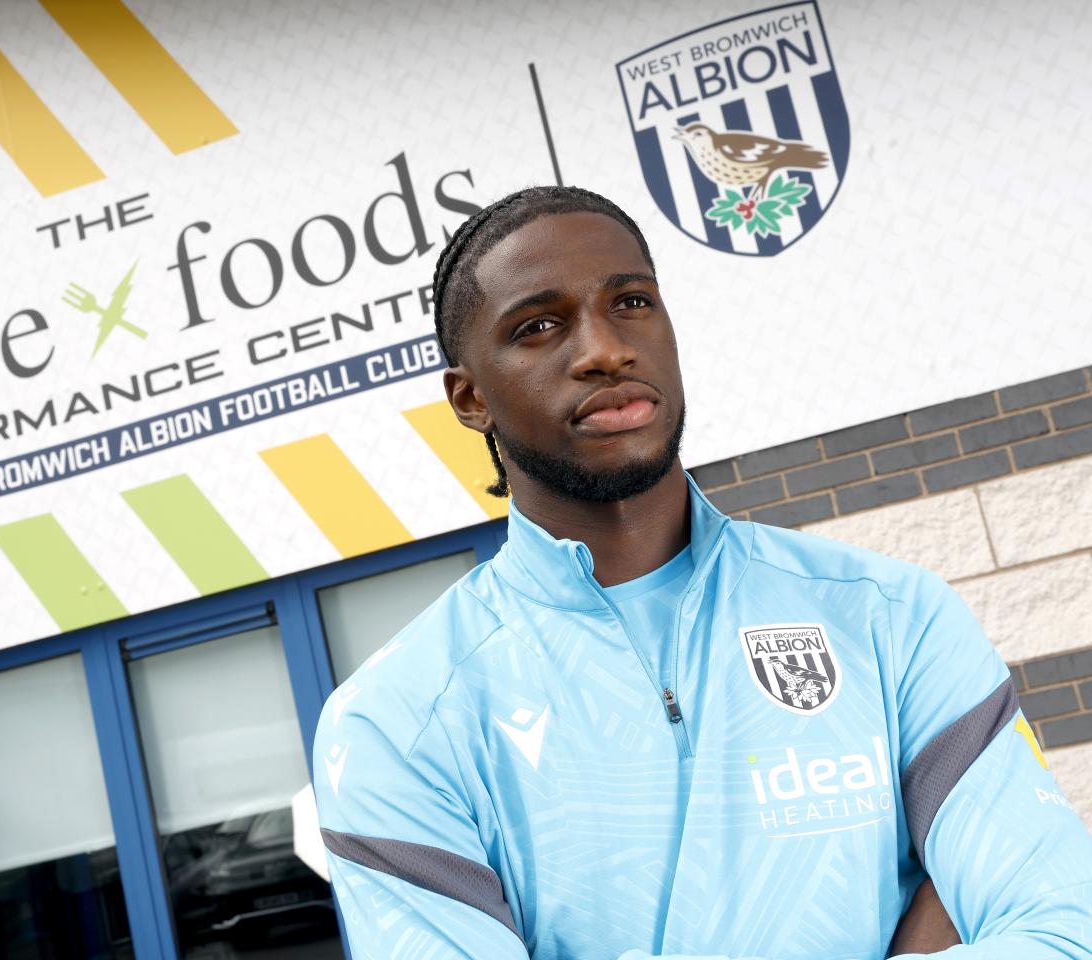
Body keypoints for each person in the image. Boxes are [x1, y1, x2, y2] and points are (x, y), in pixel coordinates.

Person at [312, 186, 1092, 958]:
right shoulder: (396, 723)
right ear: (470, 396)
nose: (604, 350)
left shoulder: (890, 616)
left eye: (632, 303)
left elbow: (1063, 927)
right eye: (540, 325)